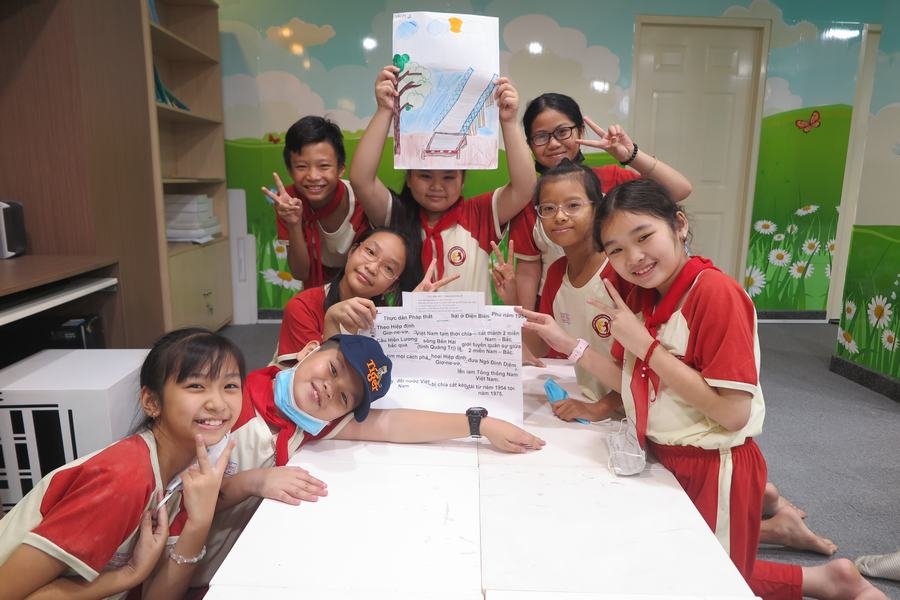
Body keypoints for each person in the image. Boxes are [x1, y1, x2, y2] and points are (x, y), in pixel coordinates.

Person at [517, 179, 885, 600]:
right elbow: (631, 379)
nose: (633, 258)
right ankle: (828, 579)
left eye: (644, 237)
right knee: (670, 566)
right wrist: (568, 344)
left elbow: (732, 413)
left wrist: (647, 347)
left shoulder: (715, 293)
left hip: (715, 465)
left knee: (706, 582)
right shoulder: (641, 294)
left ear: (679, 225)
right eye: (615, 249)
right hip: (664, 454)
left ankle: (832, 580)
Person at [193, 334, 546, 584]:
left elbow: (391, 424)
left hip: (233, 562)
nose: (330, 388)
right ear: (309, 350)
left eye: (344, 397)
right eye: (333, 369)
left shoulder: (306, 419)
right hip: (189, 570)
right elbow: (182, 501)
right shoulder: (226, 406)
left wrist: (479, 424)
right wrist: (255, 481)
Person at [0, 328, 242, 600]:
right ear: (152, 402)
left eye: (230, 386)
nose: (218, 403)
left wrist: (199, 522)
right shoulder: (124, 479)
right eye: (196, 386)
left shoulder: (188, 469)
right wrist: (129, 574)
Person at [349, 66, 536, 303]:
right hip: (410, 328)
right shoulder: (396, 216)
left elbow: (525, 188)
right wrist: (385, 110)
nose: (437, 186)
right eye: (425, 176)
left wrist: (508, 122)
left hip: (471, 328)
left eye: (449, 177)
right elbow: (361, 180)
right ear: (409, 179)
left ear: (462, 180)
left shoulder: (479, 214)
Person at [508, 92, 692, 309]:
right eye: (541, 136)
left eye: (562, 132)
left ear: (580, 131)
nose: (554, 143)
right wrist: (527, 321)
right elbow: (528, 271)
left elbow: (679, 190)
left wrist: (629, 155)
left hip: (621, 301)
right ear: (530, 144)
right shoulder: (529, 201)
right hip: (559, 307)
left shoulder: (612, 180)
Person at [521, 159, 626, 422]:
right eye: (548, 208)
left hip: (633, 414)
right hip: (590, 403)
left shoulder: (619, 271)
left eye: (573, 205)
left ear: (597, 208)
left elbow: (645, 369)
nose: (559, 216)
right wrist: (512, 297)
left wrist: (599, 409)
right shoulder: (557, 273)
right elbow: (539, 348)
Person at [276, 227, 459, 360]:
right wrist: (331, 321)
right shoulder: (303, 307)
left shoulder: (384, 321)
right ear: (352, 252)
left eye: (388, 268)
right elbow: (315, 379)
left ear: (391, 287)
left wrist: (410, 314)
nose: (372, 268)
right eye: (370, 252)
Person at [263, 116, 371, 288]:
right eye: (301, 166)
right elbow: (300, 273)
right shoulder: (287, 202)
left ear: (340, 169)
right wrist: (293, 223)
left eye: (324, 166)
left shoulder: (361, 198)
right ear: (290, 171)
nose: (313, 176)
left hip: (360, 286)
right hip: (316, 286)